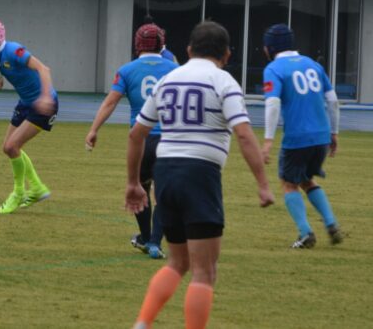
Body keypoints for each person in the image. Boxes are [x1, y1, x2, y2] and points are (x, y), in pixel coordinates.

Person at [124, 21, 274, 329]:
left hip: (166, 173)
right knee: (205, 271)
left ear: (189, 50)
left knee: (177, 262)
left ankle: (142, 323)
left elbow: (136, 134)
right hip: (200, 174)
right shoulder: (224, 81)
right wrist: (262, 184)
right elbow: (244, 134)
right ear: (227, 54)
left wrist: (133, 183)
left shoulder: (167, 80)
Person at [86, 23, 177, 259]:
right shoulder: (175, 69)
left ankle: (146, 238)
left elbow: (110, 102)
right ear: (161, 43)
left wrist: (94, 130)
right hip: (168, 140)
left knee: (139, 188)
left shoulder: (126, 70)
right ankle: (155, 241)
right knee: (163, 193)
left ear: (137, 44)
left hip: (140, 140)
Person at [259, 24, 345, 249]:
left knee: (289, 184)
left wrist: (268, 140)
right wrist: (334, 132)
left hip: (297, 137)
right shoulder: (313, 64)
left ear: (271, 47)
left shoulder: (273, 69)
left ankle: (306, 233)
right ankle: (331, 223)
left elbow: (273, 103)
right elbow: (333, 101)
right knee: (307, 180)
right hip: (321, 136)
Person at [0, 18, 57, 215]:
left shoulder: (13, 50)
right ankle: (37, 188)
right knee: (9, 147)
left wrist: (46, 97)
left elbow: (43, 69)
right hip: (25, 103)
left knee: (11, 147)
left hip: (43, 104)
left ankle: (18, 192)